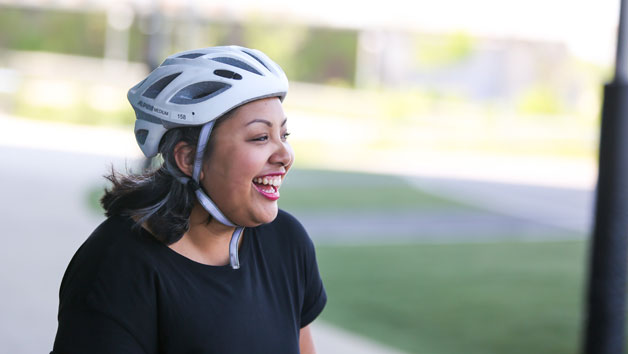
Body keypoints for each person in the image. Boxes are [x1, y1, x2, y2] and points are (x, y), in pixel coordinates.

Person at [51, 46, 327, 354]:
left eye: (284, 136)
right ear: (188, 158)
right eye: (260, 137)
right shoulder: (119, 265)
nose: (284, 155)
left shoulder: (286, 242)